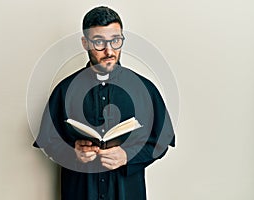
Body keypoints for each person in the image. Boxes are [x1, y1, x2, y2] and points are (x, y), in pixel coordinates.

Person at [33, 6, 175, 200]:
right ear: (85, 43)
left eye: (116, 41)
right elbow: (48, 142)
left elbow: (161, 141)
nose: (109, 51)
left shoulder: (145, 89)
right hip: (80, 193)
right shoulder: (65, 89)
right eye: (99, 42)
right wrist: (73, 153)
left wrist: (128, 156)